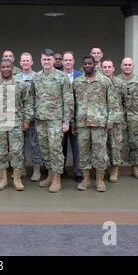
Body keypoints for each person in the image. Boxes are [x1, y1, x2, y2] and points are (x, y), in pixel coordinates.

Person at [0, 59, 33, 191]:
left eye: (8, 67)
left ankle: (17, 179)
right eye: (3, 67)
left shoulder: (20, 84)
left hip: (16, 123)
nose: (6, 69)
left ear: (12, 68)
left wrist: (27, 120)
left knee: (16, 151)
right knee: (0, 151)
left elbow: (28, 103)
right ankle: (3, 179)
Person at [32, 48, 73, 193]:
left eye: (49, 60)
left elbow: (68, 100)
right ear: (41, 60)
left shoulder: (62, 77)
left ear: (54, 61)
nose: (47, 62)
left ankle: (57, 179)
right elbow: (33, 97)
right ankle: (49, 175)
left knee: (55, 149)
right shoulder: (36, 77)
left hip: (56, 120)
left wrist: (66, 121)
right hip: (41, 119)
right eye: (44, 60)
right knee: (45, 149)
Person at [73, 56, 116, 192]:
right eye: (85, 63)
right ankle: (86, 179)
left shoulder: (104, 81)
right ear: (83, 65)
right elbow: (72, 105)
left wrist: (110, 121)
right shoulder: (77, 82)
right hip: (82, 124)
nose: (87, 65)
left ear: (94, 65)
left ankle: (99, 180)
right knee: (83, 152)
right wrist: (72, 122)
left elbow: (113, 103)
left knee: (100, 153)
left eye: (90, 63)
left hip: (99, 124)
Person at [117, 57, 138, 179]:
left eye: (129, 64)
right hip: (120, 118)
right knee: (119, 144)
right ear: (121, 66)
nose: (127, 66)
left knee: (136, 143)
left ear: (133, 66)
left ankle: (135, 168)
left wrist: (137, 108)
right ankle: (116, 169)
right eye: (125, 64)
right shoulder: (116, 80)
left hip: (136, 118)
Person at [15, 52, 43, 180]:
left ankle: (36, 170)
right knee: (18, 144)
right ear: (20, 63)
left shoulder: (37, 77)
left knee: (35, 144)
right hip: (19, 117)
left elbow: (41, 97)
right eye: (23, 61)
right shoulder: (15, 78)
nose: (25, 63)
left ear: (32, 62)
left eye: (28, 61)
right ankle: (21, 168)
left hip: (33, 117)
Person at [102, 60, 125, 182]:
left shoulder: (120, 83)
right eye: (104, 67)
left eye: (109, 67)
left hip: (115, 121)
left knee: (115, 146)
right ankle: (104, 168)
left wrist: (119, 114)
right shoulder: (99, 82)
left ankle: (114, 169)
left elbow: (126, 101)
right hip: (101, 120)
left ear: (113, 68)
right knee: (102, 146)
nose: (107, 69)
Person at [61, 51, 82, 182]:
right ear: (62, 62)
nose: (68, 62)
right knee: (60, 145)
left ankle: (78, 172)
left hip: (77, 117)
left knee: (77, 147)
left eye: (70, 60)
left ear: (74, 61)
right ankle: (60, 170)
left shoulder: (80, 76)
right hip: (61, 117)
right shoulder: (57, 76)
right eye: (66, 60)